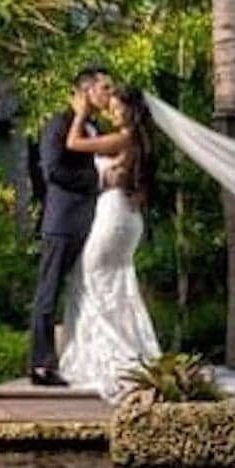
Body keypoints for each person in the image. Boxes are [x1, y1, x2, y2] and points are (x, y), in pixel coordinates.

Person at [56, 84, 162, 398]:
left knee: (89, 279)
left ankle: (109, 356)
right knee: (116, 283)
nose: (113, 113)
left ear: (133, 109)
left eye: (118, 108)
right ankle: (132, 350)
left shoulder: (125, 137)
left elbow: (74, 144)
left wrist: (79, 115)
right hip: (129, 218)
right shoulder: (143, 140)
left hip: (114, 213)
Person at [28, 67, 113, 386]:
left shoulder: (95, 127)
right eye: (104, 88)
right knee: (48, 293)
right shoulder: (59, 124)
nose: (108, 94)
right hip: (63, 220)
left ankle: (85, 356)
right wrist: (97, 180)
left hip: (94, 220)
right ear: (86, 90)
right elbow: (52, 171)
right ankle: (41, 364)